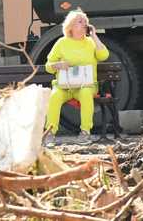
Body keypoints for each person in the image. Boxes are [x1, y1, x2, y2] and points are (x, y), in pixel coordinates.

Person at [44, 9, 109, 141]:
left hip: (86, 85)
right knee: (55, 96)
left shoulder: (90, 42)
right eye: (80, 21)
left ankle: (85, 132)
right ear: (71, 26)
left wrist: (94, 36)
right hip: (64, 86)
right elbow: (48, 66)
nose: (84, 24)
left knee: (85, 93)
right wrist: (58, 65)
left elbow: (104, 56)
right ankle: (50, 133)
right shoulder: (61, 43)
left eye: (86, 21)